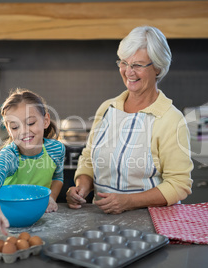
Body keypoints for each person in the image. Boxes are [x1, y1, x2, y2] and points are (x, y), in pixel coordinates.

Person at [66, 25, 193, 214]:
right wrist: (82, 186)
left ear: (158, 67)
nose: (128, 72)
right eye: (124, 62)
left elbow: (179, 185)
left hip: (151, 222)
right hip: (100, 219)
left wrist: (129, 201)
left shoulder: (171, 119)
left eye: (138, 65)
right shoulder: (107, 109)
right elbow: (88, 159)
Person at [0, 88, 65, 238]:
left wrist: (52, 198)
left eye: (30, 123)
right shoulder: (9, 155)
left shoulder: (56, 149)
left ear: (45, 121)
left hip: (40, 219)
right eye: (15, 127)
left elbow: (57, 177)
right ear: (8, 129)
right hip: (9, 220)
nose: (24, 132)